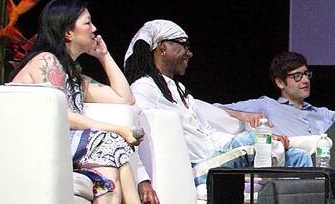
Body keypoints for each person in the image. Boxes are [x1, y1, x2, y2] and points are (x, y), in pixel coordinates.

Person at [10, 0, 170, 204]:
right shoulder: (46, 62)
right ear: (68, 32)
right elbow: (61, 115)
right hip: (32, 146)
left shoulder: (72, 74)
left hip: (61, 147)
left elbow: (125, 98)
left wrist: (104, 56)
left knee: (107, 169)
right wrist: (118, 129)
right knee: (112, 140)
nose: (95, 29)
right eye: (88, 23)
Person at [123, 21, 312, 191]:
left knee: (300, 157)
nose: (190, 53)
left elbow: (207, 134)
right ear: (163, 47)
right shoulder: (144, 88)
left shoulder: (180, 90)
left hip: (216, 158)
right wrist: (142, 179)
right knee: (251, 142)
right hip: (198, 168)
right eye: (184, 45)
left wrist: (260, 138)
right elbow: (132, 134)